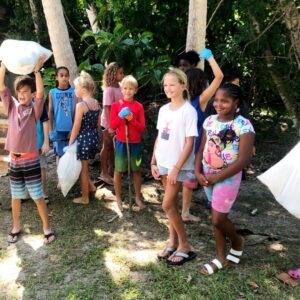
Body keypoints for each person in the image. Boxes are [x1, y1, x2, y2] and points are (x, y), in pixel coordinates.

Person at [195, 83, 255, 275]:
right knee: (217, 217)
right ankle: (222, 255)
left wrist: (216, 177)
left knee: (218, 218)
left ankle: (236, 241)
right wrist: (197, 172)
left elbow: (244, 159)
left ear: (235, 102)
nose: (219, 104)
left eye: (225, 101)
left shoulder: (243, 125)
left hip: (227, 178)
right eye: (217, 100)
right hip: (206, 175)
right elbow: (201, 148)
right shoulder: (210, 121)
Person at [0, 57, 55, 244]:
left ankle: (46, 228)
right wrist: (4, 65)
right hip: (14, 160)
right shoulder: (12, 107)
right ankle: (16, 227)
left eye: (25, 92)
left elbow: (40, 93)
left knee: (38, 196)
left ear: (30, 94)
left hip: (31, 160)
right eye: (19, 92)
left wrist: (37, 71)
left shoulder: (34, 110)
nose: (22, 95)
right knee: (16, 197)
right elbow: (1, 87)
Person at [151, 68, 198, 265]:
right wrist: (153, 160)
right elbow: (160, 136)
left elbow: (189, 143)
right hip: (162, 162)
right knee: (172, 207)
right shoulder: (163, 110)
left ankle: (185, 245)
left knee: (167, 204)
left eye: (172, 84)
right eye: (166, 85)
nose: (168, 88)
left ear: (183, 85)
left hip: (177, 166)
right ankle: (173, 242)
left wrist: (177, 168)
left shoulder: (189, 111)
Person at [181, 48, 224, 222]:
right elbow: (219, 77)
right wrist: (211, 58)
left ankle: (180, 209)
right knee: (189, 178)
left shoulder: (182, 100)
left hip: (181, 142)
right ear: (201, 83)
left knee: (181, 175)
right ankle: (185, 212)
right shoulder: (201, 99)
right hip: (196, 144)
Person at [110, 75, 145, 214]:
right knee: (118, 170)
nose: (128, 91)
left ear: (135, 90)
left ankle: (137, 196)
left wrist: (131, 119)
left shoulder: (139, 106)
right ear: (121, 89)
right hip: (121, 142)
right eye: (125, 88)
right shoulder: (115, 105)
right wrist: (120, 116)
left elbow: (142, 128)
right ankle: (118, 198)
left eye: (131, 89)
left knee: (136, 170)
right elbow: (112, 126)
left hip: (135, 143)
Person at [68, 71, 101, 204]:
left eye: (76, 87)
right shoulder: (96, 102)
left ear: (83, 89)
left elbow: (76, 127)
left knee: (83, 170)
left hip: (84, 140)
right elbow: (98, 124)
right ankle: (91, 187)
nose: (75, 90)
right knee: (85, 166)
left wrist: (70, 144)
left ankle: (85, 197)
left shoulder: (81, 105)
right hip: (93, 138)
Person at [48, 66, 77, 187]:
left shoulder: (74, 92)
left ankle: (70, 178)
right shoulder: (52, 92)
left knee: (70, 155)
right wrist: (51, 129)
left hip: (71, 130)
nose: (64, 78)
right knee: (59, 155)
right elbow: (50, 111)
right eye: (61, 75)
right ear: (56, 77)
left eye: (66, 75)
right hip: (58, 130)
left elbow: (76, 112)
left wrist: (73, 129)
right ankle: (60, 179)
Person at [99, 62, 124, 185]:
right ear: (113, 74)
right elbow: (107, 108)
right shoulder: (109, 90)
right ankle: (103, 172)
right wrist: (110, 126)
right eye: (120, 72)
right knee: (107, 146)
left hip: (117, 123)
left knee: (113, 148)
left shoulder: (119, 87)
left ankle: (111, 169)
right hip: (108, 123)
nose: (122, 75)